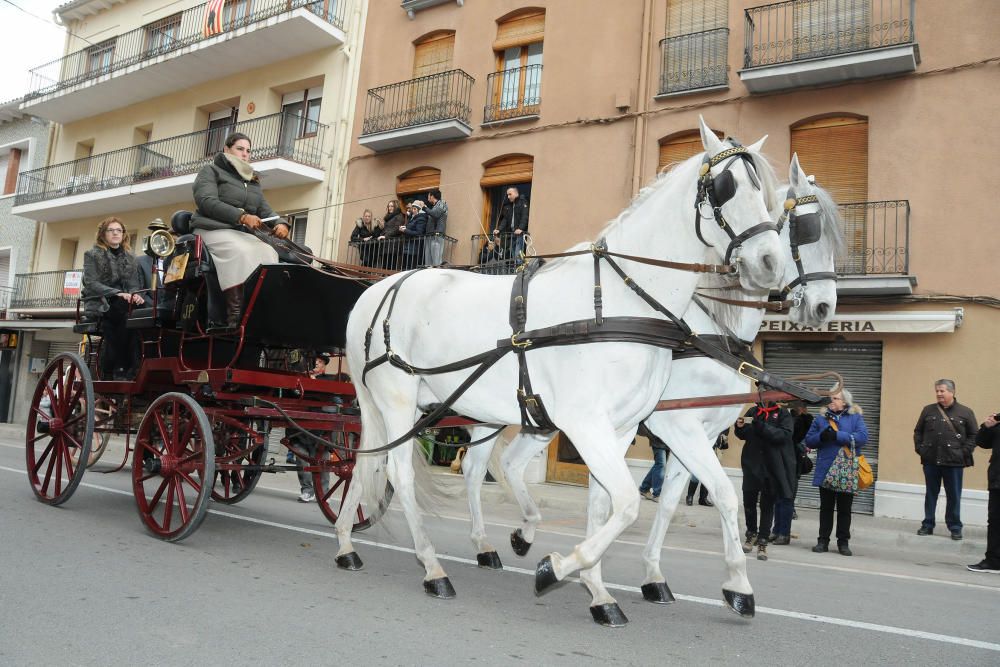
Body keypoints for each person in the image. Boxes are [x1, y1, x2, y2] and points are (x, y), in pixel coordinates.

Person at [190, 132, 290, 328]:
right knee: (243, 251)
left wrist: (281, 222)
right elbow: (206, 201)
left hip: (239, 233)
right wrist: (241, 216)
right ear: (227, 150)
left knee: (268, 252)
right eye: (240, 149)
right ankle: (235, 315)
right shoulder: (210, 171)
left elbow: (264, 208)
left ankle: (259, 310)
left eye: (248, 150)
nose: (245, 154)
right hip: (210, 229)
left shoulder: (252, 180)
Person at [804, 387, 869, 556]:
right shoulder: (821, 419)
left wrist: (838, 436)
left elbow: (863, 438)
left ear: (845, 401)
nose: (832, 401)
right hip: (826, 469)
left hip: (847, 469)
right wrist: (821, 437)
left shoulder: (855, 417)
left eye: (836, 398)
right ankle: (822, 541)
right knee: (826, 508)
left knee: (844, 509)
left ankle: (843, 542)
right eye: (831, 398)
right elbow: (809, 441)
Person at [913, 379, 978, 540]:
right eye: (937, 391)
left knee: (954, 495)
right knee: (931, 494)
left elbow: (974, 435)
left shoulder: (966, 412)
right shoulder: (928, 410)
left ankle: (955, 527)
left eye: (942, 391)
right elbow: (918, 431)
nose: (938, 394)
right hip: (931, 460)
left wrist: (963, 452)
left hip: (954, 462)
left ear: (952, 392)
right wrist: (921, 450)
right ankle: (927, 524)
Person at [82, 217, 144, 380]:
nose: (116, 233)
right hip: (99, 300)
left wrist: (135, 294)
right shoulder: (92, 255)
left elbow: (133, 284)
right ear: (103, 234)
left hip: (122, 303)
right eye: (111, 230)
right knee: (122, 313)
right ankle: (118, 365)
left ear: (123, 234)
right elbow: (91, 283)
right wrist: (116, 293)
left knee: (139, 313)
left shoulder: (130, 257)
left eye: (119, 230)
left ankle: (136, 365)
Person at [734, 400, 795, 561]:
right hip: (751, 464)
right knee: (749, 503)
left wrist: (761, 426)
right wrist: (739, 428)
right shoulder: (753, 411)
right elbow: (743, 435)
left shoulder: (783, 414)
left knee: (767, 506)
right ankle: (751, 534)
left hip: (771, 467)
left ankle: (762, 541)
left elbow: (784, 435)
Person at [290, 352, 335, 502]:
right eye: (315, 361)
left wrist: (314, 382)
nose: (317, 363)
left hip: (320, 429)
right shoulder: (299, 378)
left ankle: (324, 492)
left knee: (323, 461)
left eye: (320, 362)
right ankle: (307, 490)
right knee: (302, 460)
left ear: (324, 366)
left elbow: (335, 400)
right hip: (300, 428)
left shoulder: (330, 380)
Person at [770, 401, 815, 543]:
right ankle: (776, 530)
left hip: (792, 463)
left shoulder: (800, 420)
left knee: (787, 498)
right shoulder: (782, 416)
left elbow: (798, 434)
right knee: (778, 498)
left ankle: (784, 533)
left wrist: (803, 414)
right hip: (779, 461)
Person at [968, 410, 1000, 573]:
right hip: (997, 481)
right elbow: (982, 442)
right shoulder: (998, 421)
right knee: (995, 522)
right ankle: (994, 561)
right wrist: (987, 427)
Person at [685, 434, 725, 506]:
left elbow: (722, 445)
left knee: (708, 476)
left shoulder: (717, 427)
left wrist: (722, 439)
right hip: (700, 451)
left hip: (711, 453)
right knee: (696, 475)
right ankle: (690, 496)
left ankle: (703, 499)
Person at [494, 186, 529, 264]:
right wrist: (499, 229)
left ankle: (521, 270)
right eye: (507, 195)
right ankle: (518, 267)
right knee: (514, 253)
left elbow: (525, 216)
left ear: (516, 193)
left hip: (520, 233)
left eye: (510, 194)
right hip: (512, 234)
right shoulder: (508, 206)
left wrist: (520, 228)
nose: (508, 196)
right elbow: (505, 220)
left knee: (518, 252)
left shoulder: (523, 202)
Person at [637, 421, 668, 502]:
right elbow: (643, 424)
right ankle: (657, 494)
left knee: (659, 466)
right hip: (657, 442)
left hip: (668, 442)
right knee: (661, 465)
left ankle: (644, 488)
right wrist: (652, 436)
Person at [378, 199, 405, 270]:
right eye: (389, 206)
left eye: (392, 206)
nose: (390, 208)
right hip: (386, 246)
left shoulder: (399, 216)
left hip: (393, 246)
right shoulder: (388, 217)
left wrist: (385, 236)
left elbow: (397, 229)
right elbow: (388, 229)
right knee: (384, 267)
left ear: (396, 207)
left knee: (390, 268)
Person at [424, 189, 448, 266]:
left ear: (432, 196)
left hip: (437, 236)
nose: (427, 198)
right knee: (429, 263)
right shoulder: (434, 206)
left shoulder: (442, 204)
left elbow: (436, 214)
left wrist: (424, 207)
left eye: (428, 195)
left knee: (436, 261)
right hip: (431, 236)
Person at [402, 200, 427, 270]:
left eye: (415, 209)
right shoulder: (413, 218)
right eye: (412, 208)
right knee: (405, 266)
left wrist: (405, 230)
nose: (413, 210)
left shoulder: (421, 218)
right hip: (408, 245)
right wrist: (404, 229)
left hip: (414, 246)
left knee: (410, 266)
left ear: (419, 210)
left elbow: (419, 232)